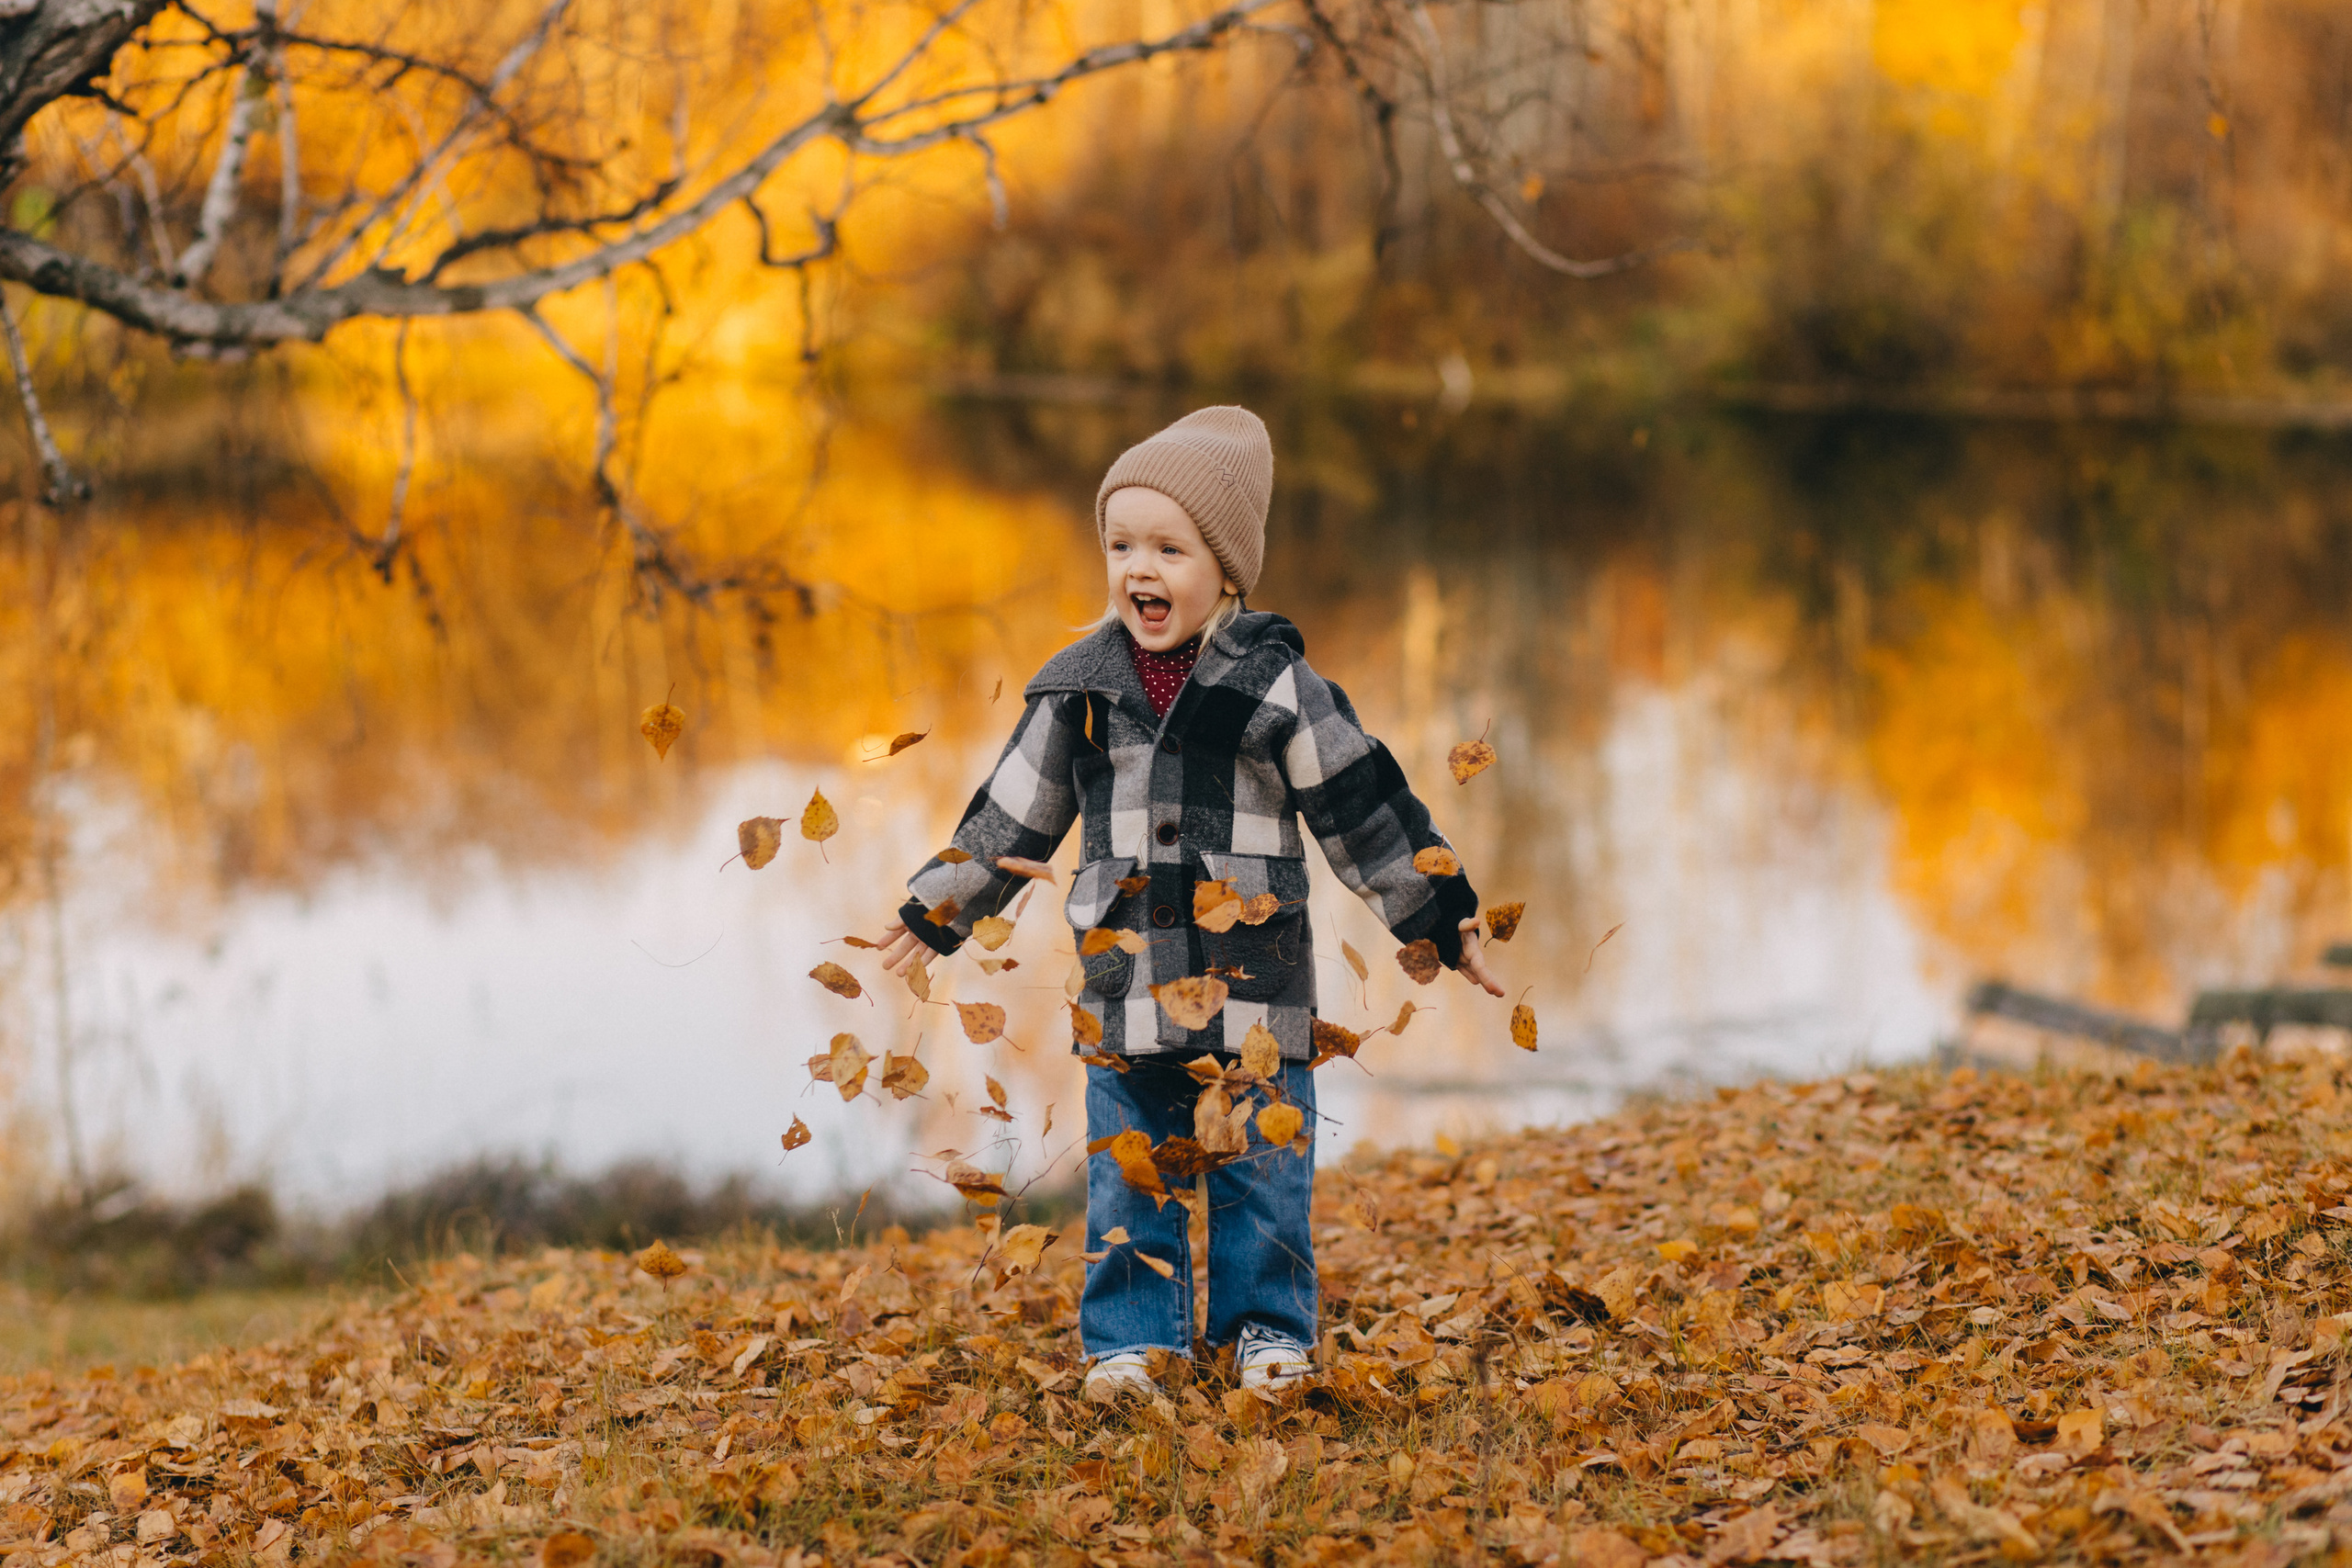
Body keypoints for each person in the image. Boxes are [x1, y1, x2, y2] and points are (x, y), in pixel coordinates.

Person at [875, 406, 1504, 1401]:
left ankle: (1266, 1332)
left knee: (1260, 1169)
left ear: (1226, 570)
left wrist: (1439, 914)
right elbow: (1011, 815)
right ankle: (1133, 1341)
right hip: (1124, 983)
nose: (1140, 569)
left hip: (1251, 989)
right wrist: (933, 910)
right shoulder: (1075, 689)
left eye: (1169, 548)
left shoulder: (1274, 688)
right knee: (1133, 1171)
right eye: (1122, 545)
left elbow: (1361, 805)